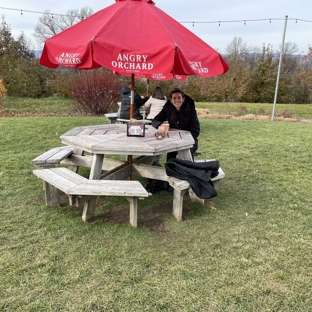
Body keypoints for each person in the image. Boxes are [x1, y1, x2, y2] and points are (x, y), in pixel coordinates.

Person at [152, 88, 200, 161]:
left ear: (183, 99)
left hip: (189, 140)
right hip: (173, 139)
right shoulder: (167, 109)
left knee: (187, 153)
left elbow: (195, 130)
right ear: (171, 100)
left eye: (179, 98)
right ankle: (170, 169)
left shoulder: (191, 110)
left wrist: (187, 141)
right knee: (170, 151)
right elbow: (156, 120)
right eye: (174, 98)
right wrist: (160, 126)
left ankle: (188, 170)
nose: (177, 100)